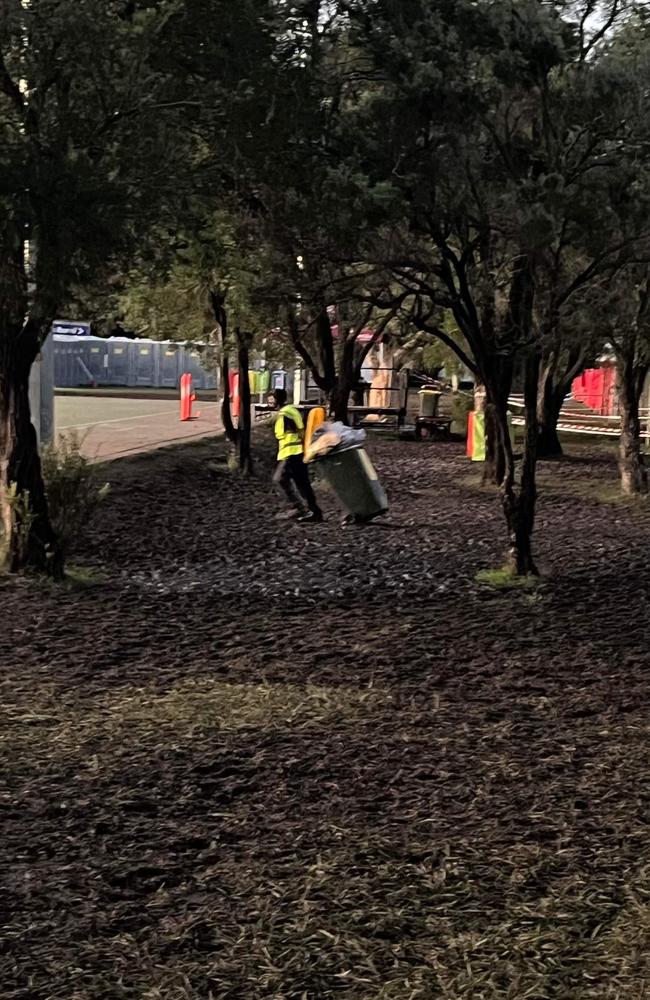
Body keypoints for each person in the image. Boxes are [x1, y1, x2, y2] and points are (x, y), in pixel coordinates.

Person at [269, 388, 323, 523]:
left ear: (278, 400)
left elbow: (294, 432)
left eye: (271, 398)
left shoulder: (286, 413)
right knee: (302, 483)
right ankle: (313, 512)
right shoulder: (290, 411)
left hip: (291, 453)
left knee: (280, 479)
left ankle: (299, 508)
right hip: (296, 453)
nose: (269, 401)